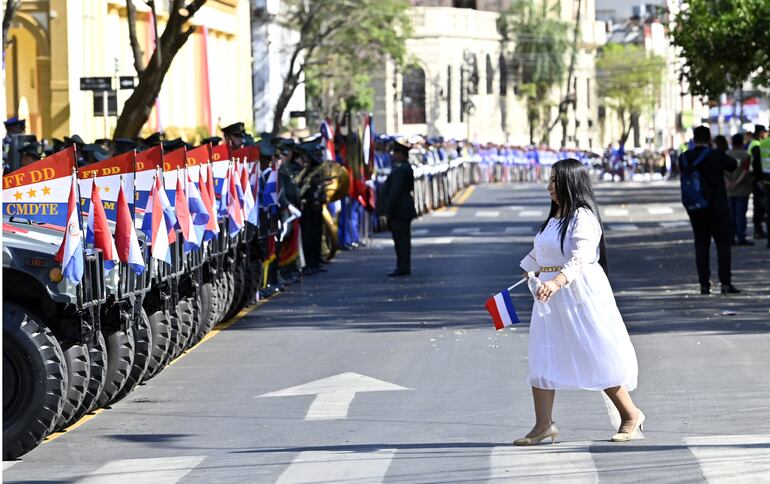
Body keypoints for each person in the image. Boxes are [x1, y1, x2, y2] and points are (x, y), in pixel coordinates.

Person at [516, 158, 642, 445]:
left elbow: (580, 258)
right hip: (548, 298)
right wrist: (528, 269)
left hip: (579, 294)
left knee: (594, 353)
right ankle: (543, 425)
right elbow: (541, 251)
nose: (549, 186)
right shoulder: (555, 218)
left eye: (554, 181)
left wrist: (556, 281)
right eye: (549, 181)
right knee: (542, 356)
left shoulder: (583, 217)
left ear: (570, 183)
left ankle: (630, 414)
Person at [680, 126, 738, 295]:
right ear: (709, 138)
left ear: (694, 138)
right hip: (717, 206)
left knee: (701, 244)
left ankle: (704, 285)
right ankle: (725, 283)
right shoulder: (715, 154)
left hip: (695, 207)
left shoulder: (685, 157)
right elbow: (732, 165)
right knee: (723, 245)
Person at [381, 138, 417, 276]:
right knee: (403, 240)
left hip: (400, 210)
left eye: (395, 152)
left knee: (401, 240)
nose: (393, 155)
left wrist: (387, 211)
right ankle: (404, 266)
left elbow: (394, 193)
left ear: (401, 154)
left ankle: (402, 266)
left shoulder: (401, 170)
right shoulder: (403, 167)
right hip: (403, 208)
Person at [725, 133, 754, 246]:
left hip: (729, 189)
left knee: (731, 214)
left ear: (732, 142)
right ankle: (741, 236)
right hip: (742, 188)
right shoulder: (745, 155)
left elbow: (722, 171)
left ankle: (731, 237)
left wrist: (729, 183)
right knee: (741, 213)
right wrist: (737, 183)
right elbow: (746, 171)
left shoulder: (727, 154)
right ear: (742, 142)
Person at [749, 125, 767, 239]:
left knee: (759, 205)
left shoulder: (755, 144)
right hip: (758, 179)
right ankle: (758, 230)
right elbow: (756, 164)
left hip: (755, 179)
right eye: (764, 132)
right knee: (760, 205)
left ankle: (758, 229)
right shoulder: (756, 145)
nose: (766, 134)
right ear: (760, 133)